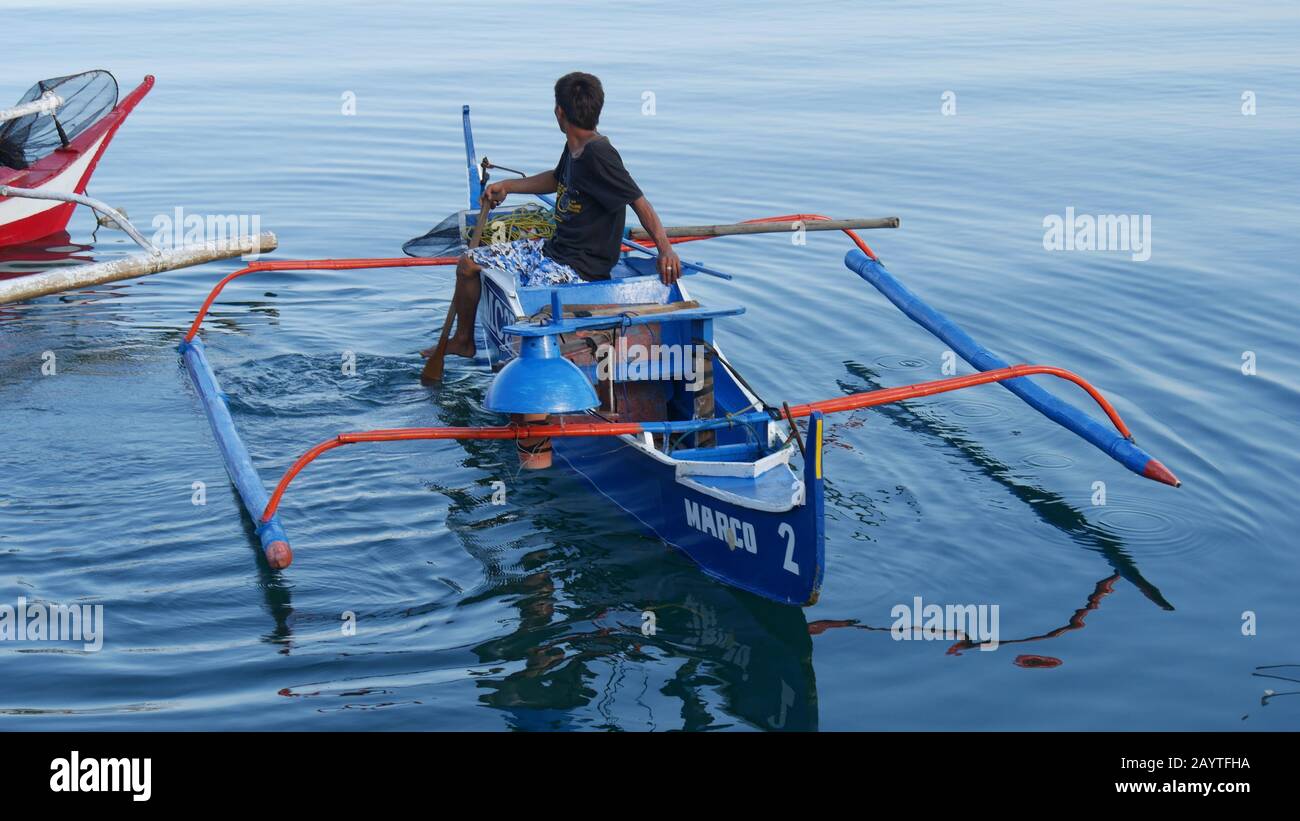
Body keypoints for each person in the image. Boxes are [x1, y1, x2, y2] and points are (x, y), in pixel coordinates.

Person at [441, 71, 681, 359]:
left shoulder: (600, 155)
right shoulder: (574, 146)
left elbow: (640, 202)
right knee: (468, 262)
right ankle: (463, 340)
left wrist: (665, 249)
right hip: (551, 251)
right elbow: (557, 179)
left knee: (529, 302)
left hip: (578, 270)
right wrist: (508, 186)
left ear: (559, 112)